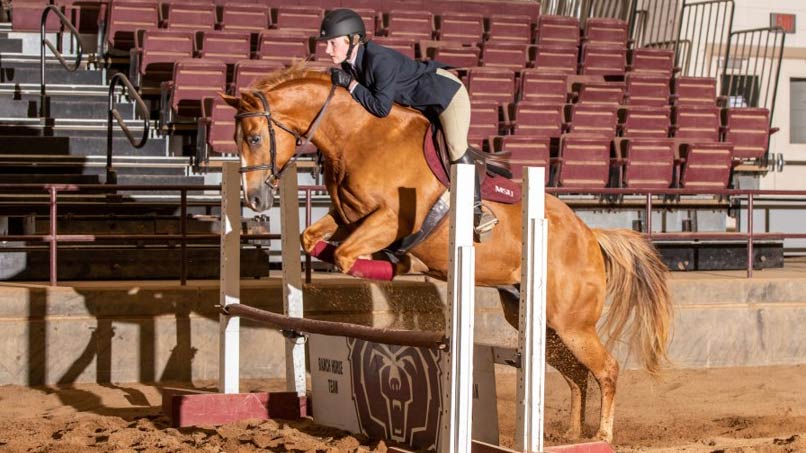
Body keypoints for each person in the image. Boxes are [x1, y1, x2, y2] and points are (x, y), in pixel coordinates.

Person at [317, 8, 498, 240]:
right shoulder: (350, 64)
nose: (327, 49)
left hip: (445, 95)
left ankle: (477, 211)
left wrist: (351, 86)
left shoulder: (378, 60)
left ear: (352, 40)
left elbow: (380, 108)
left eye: (332, 43)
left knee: (455, 147)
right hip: (418, 102)